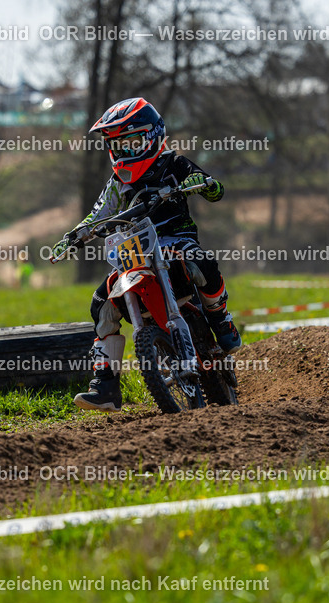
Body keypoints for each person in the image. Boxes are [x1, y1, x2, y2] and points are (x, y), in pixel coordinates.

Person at [55, 97, 240, 412]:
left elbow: (215, 190)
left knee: (200, 261)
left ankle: (219, 316)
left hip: (175, 240)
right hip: (135, 252)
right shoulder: (117, 183)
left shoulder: (174, 165)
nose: (126, 151)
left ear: (153, 136)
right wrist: (75, 235)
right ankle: (106, 385)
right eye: (119, 145)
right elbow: (98, 214)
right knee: (101, 304)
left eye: (132, 142)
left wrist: (200, 183)